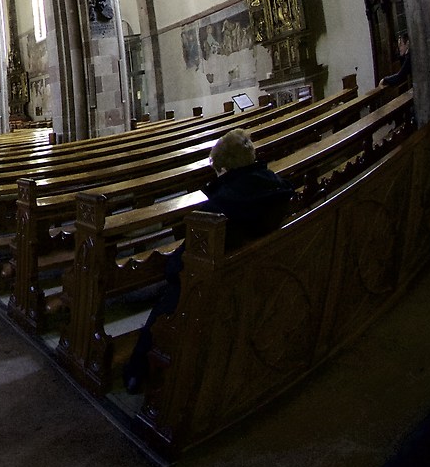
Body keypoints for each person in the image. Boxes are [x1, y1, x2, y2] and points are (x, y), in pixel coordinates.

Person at [120, 129, 298, 395]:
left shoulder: (218, 208)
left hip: (217, 283)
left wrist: (171, 269)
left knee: (169, 297)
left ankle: (137, 372)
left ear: (224, 169)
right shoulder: (278, 188)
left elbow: (180, 266)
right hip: (256, 267)